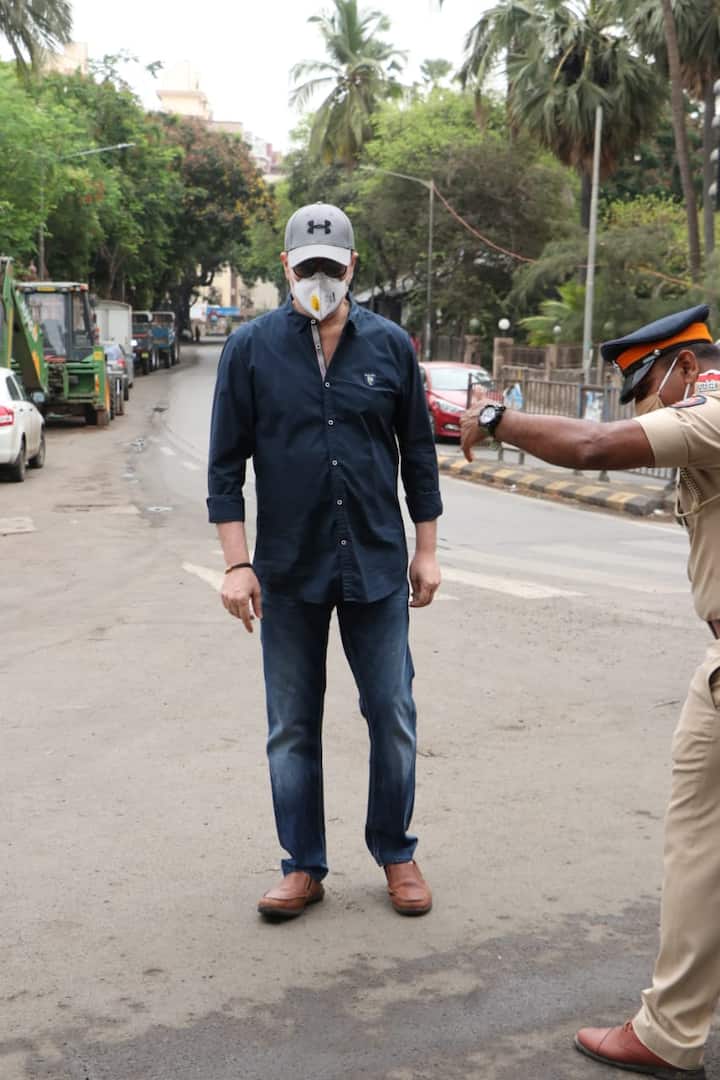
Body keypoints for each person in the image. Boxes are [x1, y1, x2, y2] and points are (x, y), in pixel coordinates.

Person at [461, 305, 720, 1080]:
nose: (641, 409)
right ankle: (671, 1030)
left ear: (676, 368)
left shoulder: (710, 413)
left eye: (642, 389)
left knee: (699, 842)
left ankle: (672, 1032)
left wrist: (498, 416)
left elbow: (594, 445)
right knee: (697, 845)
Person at [207, 202, 442, 921]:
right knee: (291, 725)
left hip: (373, 564)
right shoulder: (249, 351)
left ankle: (396, 852)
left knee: (392, 713)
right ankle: (302, 866)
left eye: (330, 269)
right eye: (306, 268)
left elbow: (419, 454)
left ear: (352, 267)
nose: (318, 280)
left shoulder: (391, 346)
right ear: (286, 267)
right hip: (286, 569)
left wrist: (427, 549)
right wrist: (236, 564)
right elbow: (225, 466)